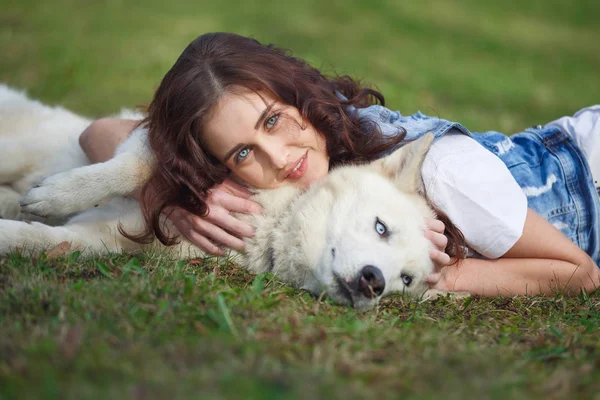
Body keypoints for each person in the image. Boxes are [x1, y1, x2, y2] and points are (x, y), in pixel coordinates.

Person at [78, 32, 600, 297]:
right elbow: (98, 132)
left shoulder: (442, 172)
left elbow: (579, 274)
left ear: (303, 96)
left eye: (274, 120)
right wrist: (167, 197)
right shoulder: (322, 162)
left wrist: (440, 275)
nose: (278, 159)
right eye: (241, 153)